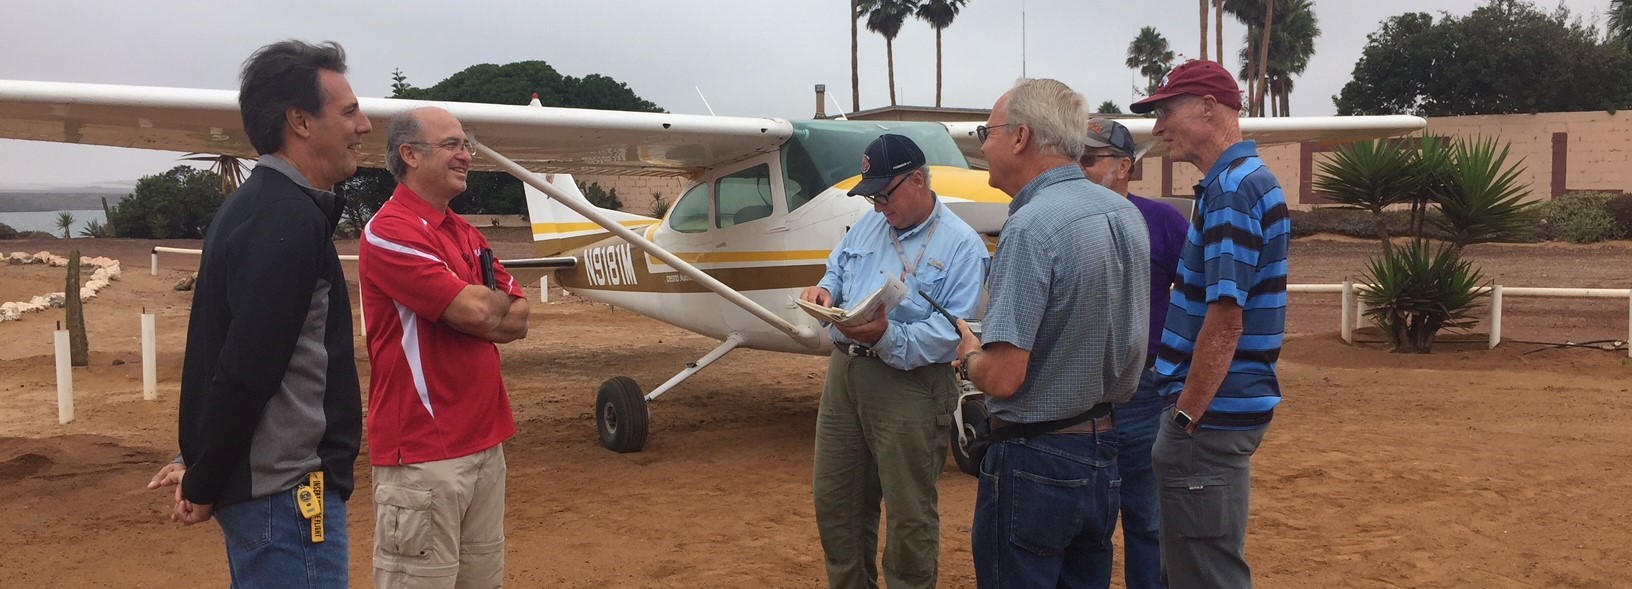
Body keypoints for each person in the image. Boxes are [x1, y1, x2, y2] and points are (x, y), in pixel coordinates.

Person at [145, 39, 370, 588]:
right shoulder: (284, 219)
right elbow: (245, 370)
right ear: (300, 121)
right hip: (290, 500)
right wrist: (202, 479)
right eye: (348, 112)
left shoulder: (259, 207)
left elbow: (223, 352)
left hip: (274, 498)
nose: (364, 125)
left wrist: (198, 457)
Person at [954, 78, 1150, 589]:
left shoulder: (1031, 227)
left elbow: (1002, 379)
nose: (984, 144)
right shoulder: (1125, 214)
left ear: (1020, 137)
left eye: (987, 131)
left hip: (1034, 458)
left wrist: (970, 357)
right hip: (1104, 449)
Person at [801, 133, 989, 589]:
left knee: (909, 513)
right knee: (837, 502)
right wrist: (824, 291)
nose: (878, 207)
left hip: (911, 385)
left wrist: (888, 335)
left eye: (884, 195)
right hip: (845, 374)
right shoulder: (869, 225)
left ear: (919, 181)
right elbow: (838, 268)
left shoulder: (963, 246)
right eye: (871, 197)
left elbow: (951, 334)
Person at [1129, 59, 1289, 589]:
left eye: (1165, 111)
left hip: (1208, 418)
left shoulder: (1230, 191)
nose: (1157, 128)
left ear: (1207, 107)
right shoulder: (1245, 182)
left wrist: (1184, 418)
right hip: (1222, 413)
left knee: (1204, 573)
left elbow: (1225, 321)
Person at [358, 107, 530, 588]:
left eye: (466, 145)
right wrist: (474, 304)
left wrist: (469, 301)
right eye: (452, 144)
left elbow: (519, 318)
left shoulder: (467, 233)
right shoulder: (391, 230)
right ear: (409, 154)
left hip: (484, 444)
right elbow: (481, 312)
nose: (466, 155)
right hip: (424, 453)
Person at [1079, 117, 1192, 589]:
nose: (1079, 168)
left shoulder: (1164, 221)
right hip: (1078, 388)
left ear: (1125, 166)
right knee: (1087, 520)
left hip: (1145, 387)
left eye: (1089, 159)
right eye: (1074, 158)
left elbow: (1199, 299)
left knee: (1145, 516)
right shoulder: (1063, 222)